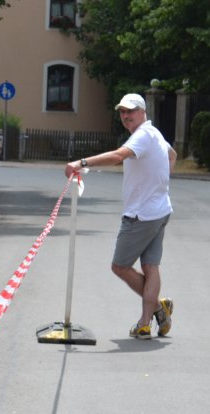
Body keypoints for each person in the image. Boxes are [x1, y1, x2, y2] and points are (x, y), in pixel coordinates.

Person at [64, 93, 176, 340]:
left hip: (141, 215)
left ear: (143, 112)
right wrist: (159, 183)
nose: (126, 116)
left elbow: (118, 156)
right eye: (122, 112)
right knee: (150, 266)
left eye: (131, 111)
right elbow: (172, 156)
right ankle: (146, 322)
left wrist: (81, 163)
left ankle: (156, 308)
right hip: (160, 210)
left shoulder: (143, 135)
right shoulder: (154, 133)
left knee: (120, 266)